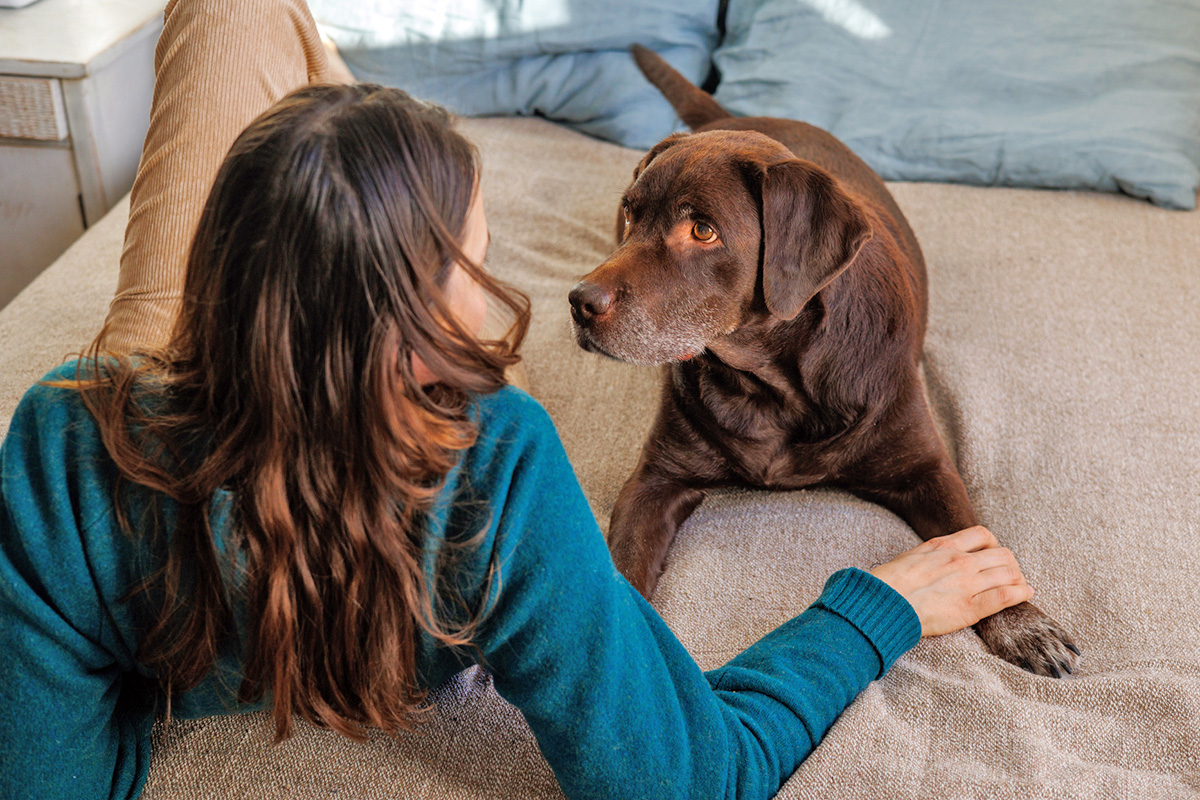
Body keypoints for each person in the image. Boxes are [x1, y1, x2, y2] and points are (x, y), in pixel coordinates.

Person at [0, 2, 1035, 799]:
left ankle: (339, 180)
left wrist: (133, 688)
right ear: (419, 319)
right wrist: (877, 609)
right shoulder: (494, 464)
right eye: (473, 253)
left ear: (217, 266)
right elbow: (692, 774)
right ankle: (358, 172)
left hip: (186, 381)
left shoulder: (56, 440)